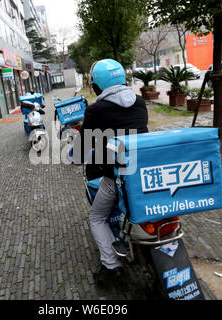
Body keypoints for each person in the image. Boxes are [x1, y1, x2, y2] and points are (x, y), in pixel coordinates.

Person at [77, 59, 148, 283]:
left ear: (97, 86)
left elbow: (81, 150)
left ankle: (111, 265)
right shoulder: (139, 102)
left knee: (97, 217)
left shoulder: (95, 110)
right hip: (144, 173)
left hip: (117, 178)